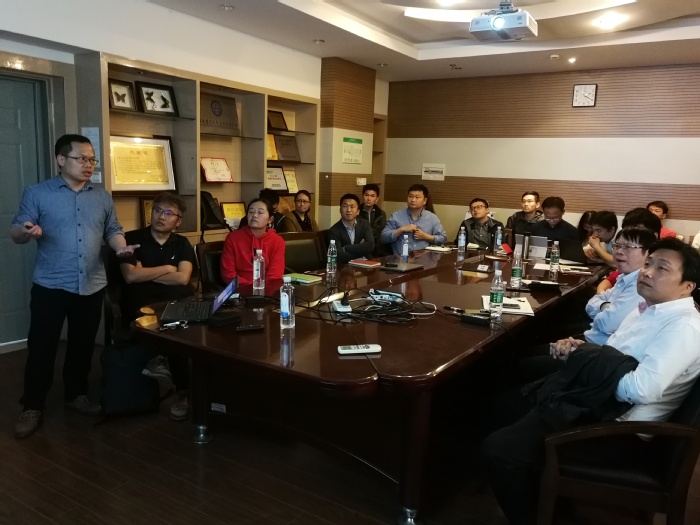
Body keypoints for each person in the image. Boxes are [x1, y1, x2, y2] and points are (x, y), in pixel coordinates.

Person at [482, 237, 700, 524]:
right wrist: (581, 349)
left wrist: (584, 361)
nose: (647, 272)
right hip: (595, 404)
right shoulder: (647, 308)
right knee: (503, 406)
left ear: (687, 286)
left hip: (618, 431)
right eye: (648, 263)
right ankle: (543, 494)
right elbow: (612, 354)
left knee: (500, 449)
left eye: (662, 268)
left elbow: (641, 389)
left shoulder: (684, 327)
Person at [10, 134, 138, 439]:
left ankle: (76, 394)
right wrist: (26, 232)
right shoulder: (38, 193)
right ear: (61, 160)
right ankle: (32, 405)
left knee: (82, 345)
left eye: (92, 159)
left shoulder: (102, 197)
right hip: (51, 285)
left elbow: (113, 229)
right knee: (42, 347)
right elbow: (16, 230)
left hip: (91, 283)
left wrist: (120, 247)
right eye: (82, 158)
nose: (89, 165)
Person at [120, 192, 195, 421]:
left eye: (169, 213)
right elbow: (131, 276)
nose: (161, 217)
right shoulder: (131, 239)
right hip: (143, 305)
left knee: (181, 334)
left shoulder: (182, 243)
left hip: (177, 302)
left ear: (178, 221)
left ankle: (181, 391)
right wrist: (168, 269)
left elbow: (183, 278)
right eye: (157, 210)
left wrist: (147, 273)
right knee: (165, 327)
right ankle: (162, 365)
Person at [221, 198, 286, 285]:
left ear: (270, 219)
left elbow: (275, 275)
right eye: (251, 212)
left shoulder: (277, 241)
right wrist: (252, 287)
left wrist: (262, 289)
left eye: (260, 212)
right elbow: (228, 274)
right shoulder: (233, 238)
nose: (254, 215)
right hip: (240, 288)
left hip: (267, 289)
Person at [380, 184, 447, 255]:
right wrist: (401, 230)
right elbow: (383, 238)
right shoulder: (396, 216)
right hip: (401, 258)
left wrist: (426, 236)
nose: (413, 200)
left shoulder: (432, 217)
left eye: (417, 197)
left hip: (424, 259)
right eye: (410, 196)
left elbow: (443, 238)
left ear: (425, 201)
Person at [328, 194, 375, 264]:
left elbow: (370, 246)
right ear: (340, 210)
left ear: (358, 211)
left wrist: (346, 248)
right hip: (346, 267)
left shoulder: (364, 224)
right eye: (345, 206)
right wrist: (362, 251)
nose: (349, 210)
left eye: (352, 206)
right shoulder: (334, 231)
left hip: (367, 265)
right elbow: (339, 255)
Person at [359, 183, 386, 255]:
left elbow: (382, 233)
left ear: (377, 199)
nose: (369, 199)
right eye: (366, 195)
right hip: (360, 246)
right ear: (362, 196)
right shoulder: (356, 212)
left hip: (376, 248)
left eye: (372, 196)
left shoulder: (381, 214)